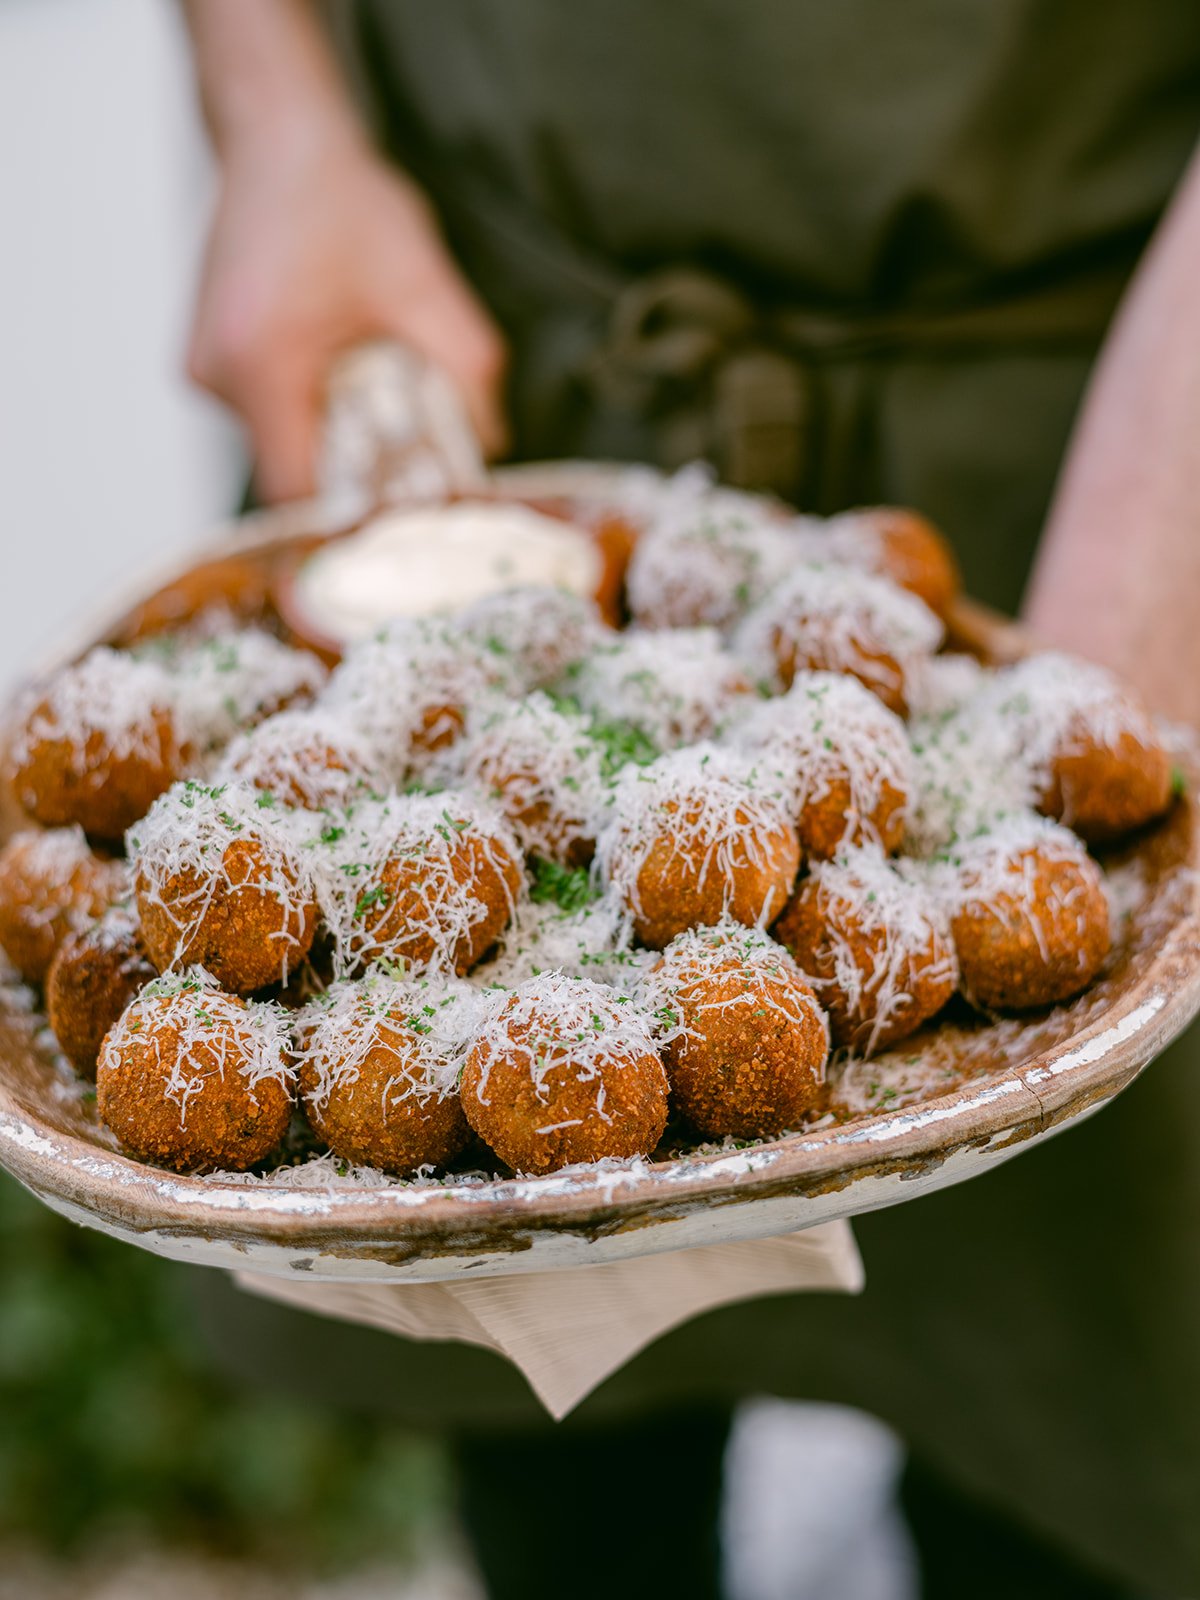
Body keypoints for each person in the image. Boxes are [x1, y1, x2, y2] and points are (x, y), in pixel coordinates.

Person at [179, 3, 1200, 1596]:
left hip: (1094, 424)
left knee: (1061, 1442)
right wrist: (284, 126)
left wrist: (1102, 671)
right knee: (551, 1461)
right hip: (487, 372)